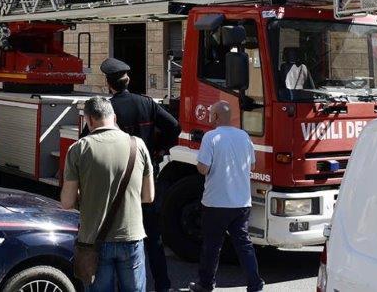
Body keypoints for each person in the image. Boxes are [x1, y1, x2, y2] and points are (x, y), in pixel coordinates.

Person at [99, 57, 180, 292]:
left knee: (114, 236)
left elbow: (88, 141)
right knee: (153, 237)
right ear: (128, 80)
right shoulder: (147, 104)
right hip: (145, 181)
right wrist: (158, 149)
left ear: (109, 84)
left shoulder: (106, 109)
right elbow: (174, 127)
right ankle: (162, 284)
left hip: (114, 181)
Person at [62, 97, 154, 292]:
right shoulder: (138, 145)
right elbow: (148, 196)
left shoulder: (79, 149)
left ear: (89, 120)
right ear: (114, 117)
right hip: (131, 237)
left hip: (93, 241)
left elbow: (67, 202)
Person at [191, 101, 263, 292]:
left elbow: (203, 168)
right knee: (244, 245)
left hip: (216, 202)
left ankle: (205, 284)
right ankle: (255, 284)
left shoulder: (211, 137)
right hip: (241, 202)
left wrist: (198, 162)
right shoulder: (244, 136)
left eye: (210, 114)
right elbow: (253, 166)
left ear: (215, 117)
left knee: (212, 246)